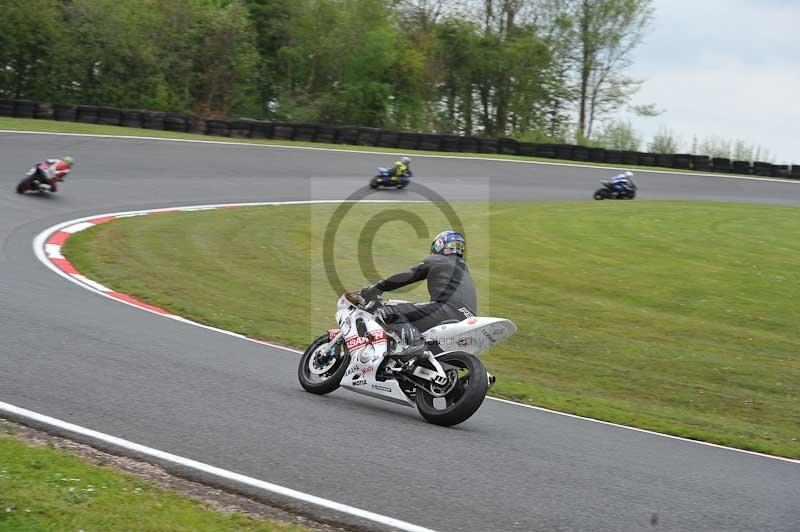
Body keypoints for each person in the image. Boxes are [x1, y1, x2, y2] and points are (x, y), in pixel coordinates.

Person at [360, 230, 476, 343]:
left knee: (387, 311)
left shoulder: (439, 259)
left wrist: (379, 287)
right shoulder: (465, 271)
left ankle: (414, 346)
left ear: (439, 246)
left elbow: (409, 276)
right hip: (468, 319)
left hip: (445, 311)